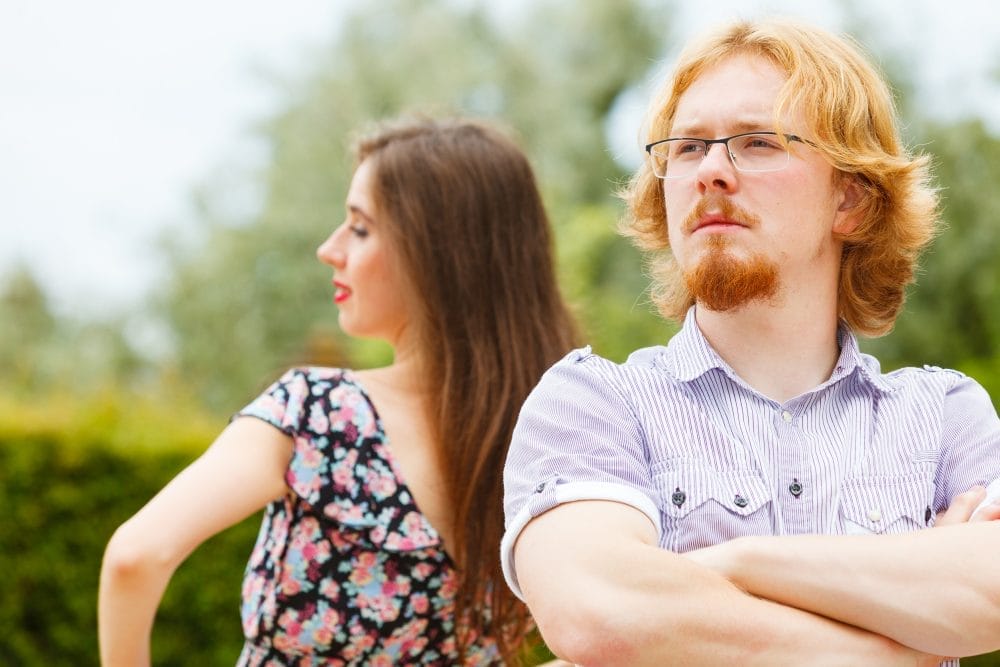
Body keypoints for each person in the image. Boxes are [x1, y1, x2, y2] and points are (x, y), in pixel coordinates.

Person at [501, 17, 1000, 666]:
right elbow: (601, 613)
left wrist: (729, 564)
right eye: (686, 148)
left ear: (850, 198)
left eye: (758, 142)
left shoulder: (943, 416)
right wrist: (901, 643)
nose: (711, 170)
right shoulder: (595, 403)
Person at [99, 116, 579, 666]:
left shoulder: (317, 413)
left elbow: (132, 558)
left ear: (437, 251)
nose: (330, 249)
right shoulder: (549, 436)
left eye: (360, 227)